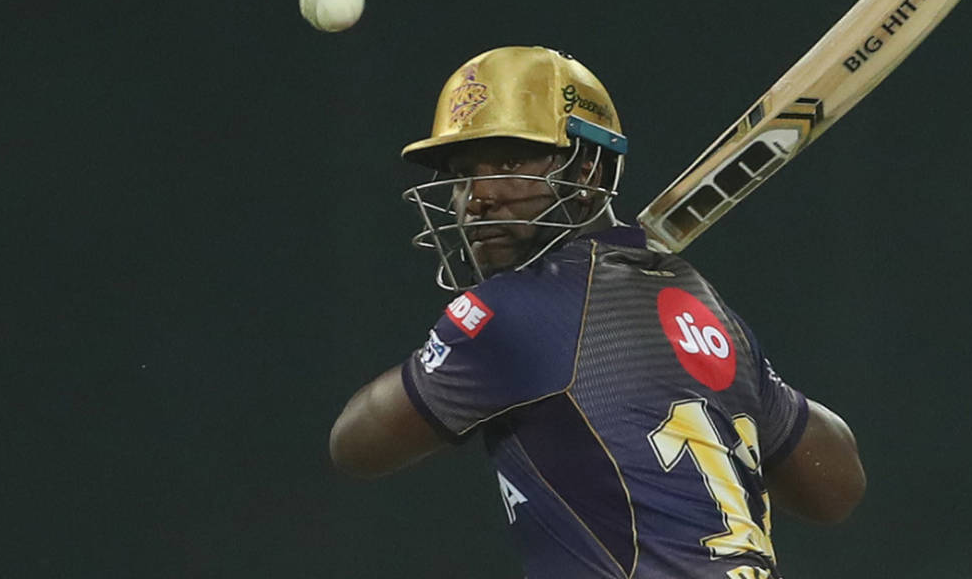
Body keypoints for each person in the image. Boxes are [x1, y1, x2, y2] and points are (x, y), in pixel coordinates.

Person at [330, 46, 865, 578]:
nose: (478, 195)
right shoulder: (700, 307)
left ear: (587, 168)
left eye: (510, 162)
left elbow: (355, 445)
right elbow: (837, 487)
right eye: (463, 171)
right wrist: (760, 387)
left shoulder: (512, 312)